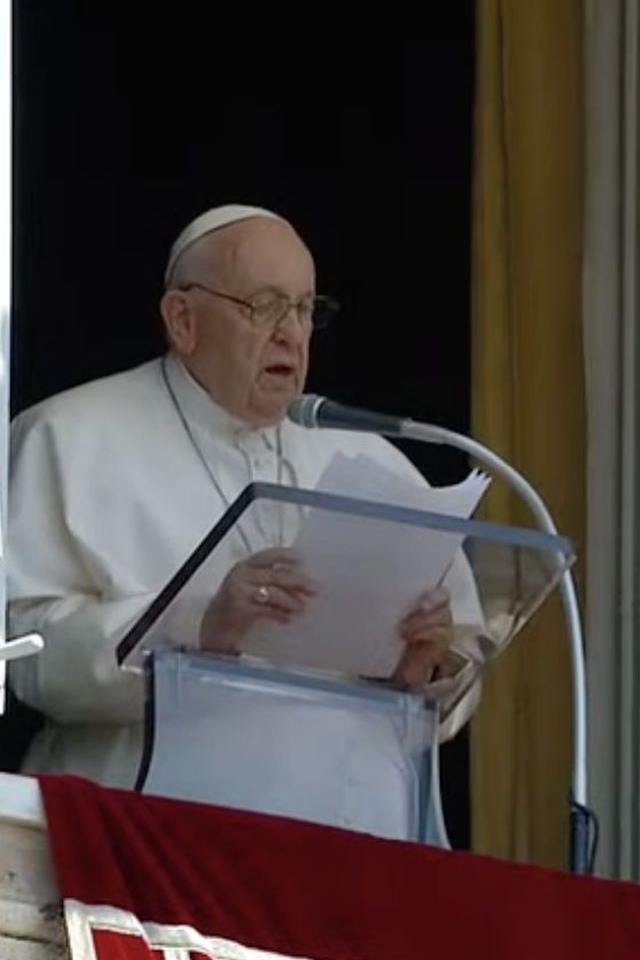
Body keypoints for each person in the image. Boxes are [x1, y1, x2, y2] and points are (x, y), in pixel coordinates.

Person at [5, 205, 480, 789]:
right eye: (264, 307)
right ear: (183, 320)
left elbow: (460, 664)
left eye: (305, 310)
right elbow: (24, 658)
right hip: (144, 828)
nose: (290, 332)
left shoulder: (376, 463)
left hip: (342, 826)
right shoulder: (67, 437)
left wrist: (424, 668)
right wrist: (201, 625)